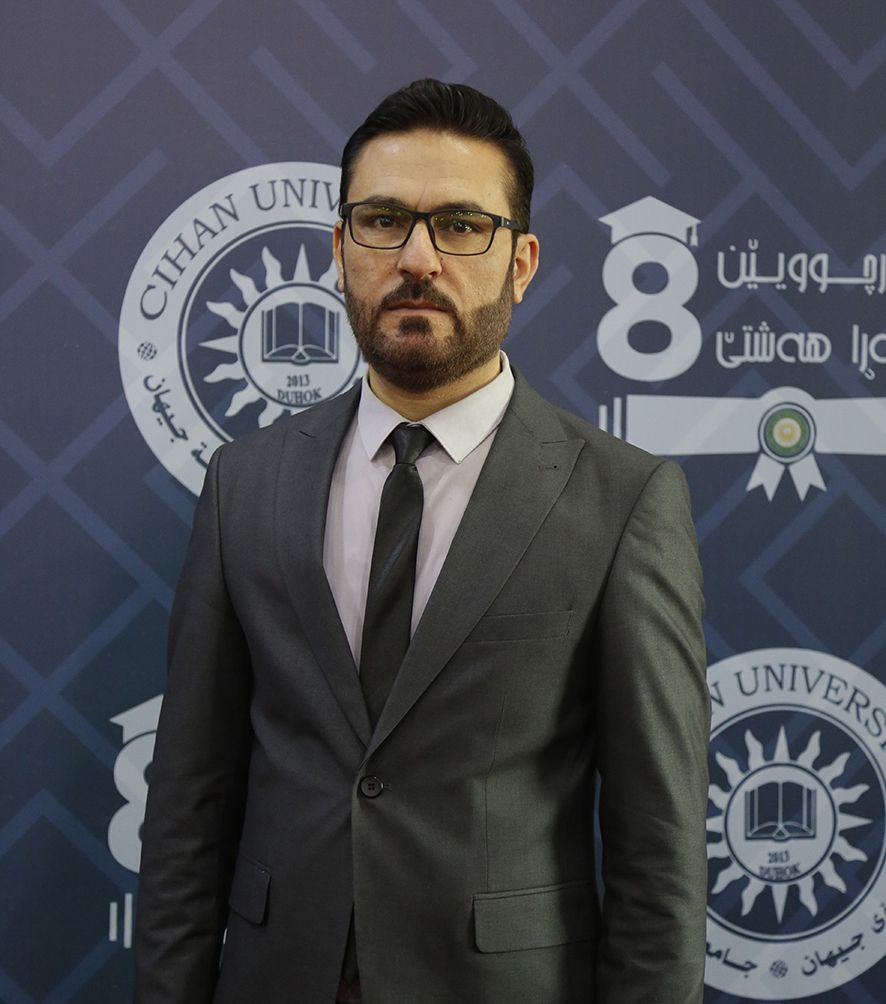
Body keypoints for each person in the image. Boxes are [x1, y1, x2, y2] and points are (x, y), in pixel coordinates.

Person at [134, 78, 710, 1004]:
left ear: (521, 263)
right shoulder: (245, 483)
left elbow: (661, 851)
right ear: (340, 250)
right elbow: (187, 807)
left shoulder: (623, 499)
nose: (417, 258)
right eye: (383, 221)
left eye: (461, 226)